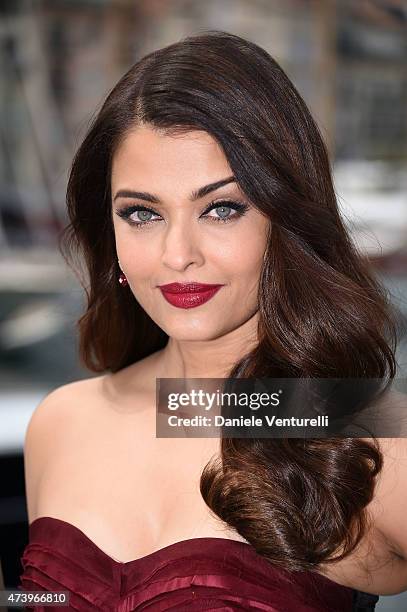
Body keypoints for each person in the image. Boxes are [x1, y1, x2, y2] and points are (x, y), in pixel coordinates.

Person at [18, 31, 406, 611]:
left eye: (221, 208)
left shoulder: (362, 436)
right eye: (142, 213)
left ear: (286, 220)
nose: (178, 254)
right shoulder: (60, 424)